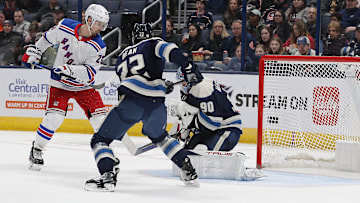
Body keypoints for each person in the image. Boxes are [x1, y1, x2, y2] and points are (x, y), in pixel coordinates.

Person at [84, 23, 201, 191]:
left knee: (100, 140)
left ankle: (107, 176)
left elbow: (133, 80)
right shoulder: (153, 43)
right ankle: (187, 169)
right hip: (156, 103)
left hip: (131, 101)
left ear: (133, 38)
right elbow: (171, 51)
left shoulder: (122, 56)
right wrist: (188, 67)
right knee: (162, 138)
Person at [22, 4, 110, 171]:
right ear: (89, 20)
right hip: (60, 85)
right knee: (53, 119)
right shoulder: (65, 26)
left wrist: (68, 70)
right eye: (99, 23)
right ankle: (37, 149)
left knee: (101, 122)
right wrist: (35, 52)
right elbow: (47, 38)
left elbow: (90, 73)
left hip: (84, 87)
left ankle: (107, 156)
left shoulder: (99, 46)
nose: (101, 28)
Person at [169, 68, 242, 151]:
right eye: (180, 82)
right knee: (185, 156)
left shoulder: (203, 87)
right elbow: (193, 113)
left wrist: (187, 123)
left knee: (200, 152)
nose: (182, 85)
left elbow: (213, 124)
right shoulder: (190, 89)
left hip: (227, 130)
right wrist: (181, 128)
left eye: (183, 82)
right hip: (208, 132)